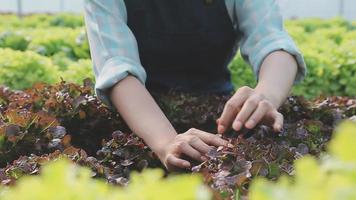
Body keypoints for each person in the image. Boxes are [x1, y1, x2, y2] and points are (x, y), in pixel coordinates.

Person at [84, 0, 306, 171]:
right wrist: (166, 142)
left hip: (219, 125)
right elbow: (116, 67)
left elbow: (273, 41)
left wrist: (266, 95)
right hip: (139, 126)